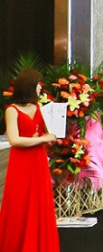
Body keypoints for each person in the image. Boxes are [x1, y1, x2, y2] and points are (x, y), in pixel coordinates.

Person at [0, 69, 59, 252]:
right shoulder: (12, 110)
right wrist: (42, 139)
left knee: (40, 202)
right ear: (29, 87)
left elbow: (44, 131)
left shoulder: (38, 108)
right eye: (38, 85)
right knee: (20, 202)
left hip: (38, 160)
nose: (41, 88)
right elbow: (14, 140)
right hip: (21, 161)